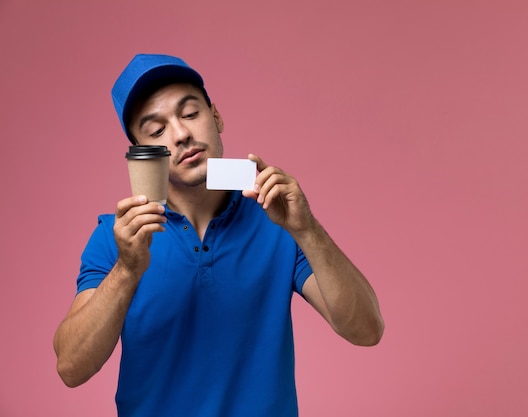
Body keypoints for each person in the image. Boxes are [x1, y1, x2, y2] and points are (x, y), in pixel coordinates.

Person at [53, 53, 384, 417]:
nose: (181, 135)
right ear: (140, 154)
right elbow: (71, 368)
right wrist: (127, 270)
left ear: (216, 116)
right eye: (157, 129)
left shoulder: (276, 219)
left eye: (190, 113)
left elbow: (366, 330)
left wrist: (307, 230)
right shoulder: (117, 237)